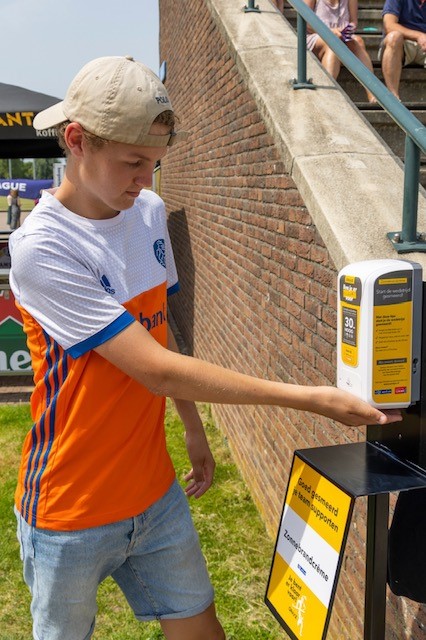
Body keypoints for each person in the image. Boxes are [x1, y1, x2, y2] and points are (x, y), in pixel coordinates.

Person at [8, 55, 401, 640]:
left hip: (154, 493)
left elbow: (162, 335)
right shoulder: (42, 247)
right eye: (133, 162)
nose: (145, 178)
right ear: (76, 141)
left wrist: (192, 429)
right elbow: (160, 371)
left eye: (155, 163)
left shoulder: (146, 212)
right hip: (70, 510)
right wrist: (310, 400)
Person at [304, 0, 378, 103]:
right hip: (316, 35)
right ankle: (327, 94)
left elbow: (353, 21)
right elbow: (306, 21)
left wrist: (348, 28)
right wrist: (329, 31)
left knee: (358, 42)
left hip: (341, 36)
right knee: (334, 43)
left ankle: (373, 93)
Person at [380, 0, 426, 100]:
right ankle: (393, 97)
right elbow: (389, 25)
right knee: (394, 37)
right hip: (403, 43)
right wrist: (419, 35)